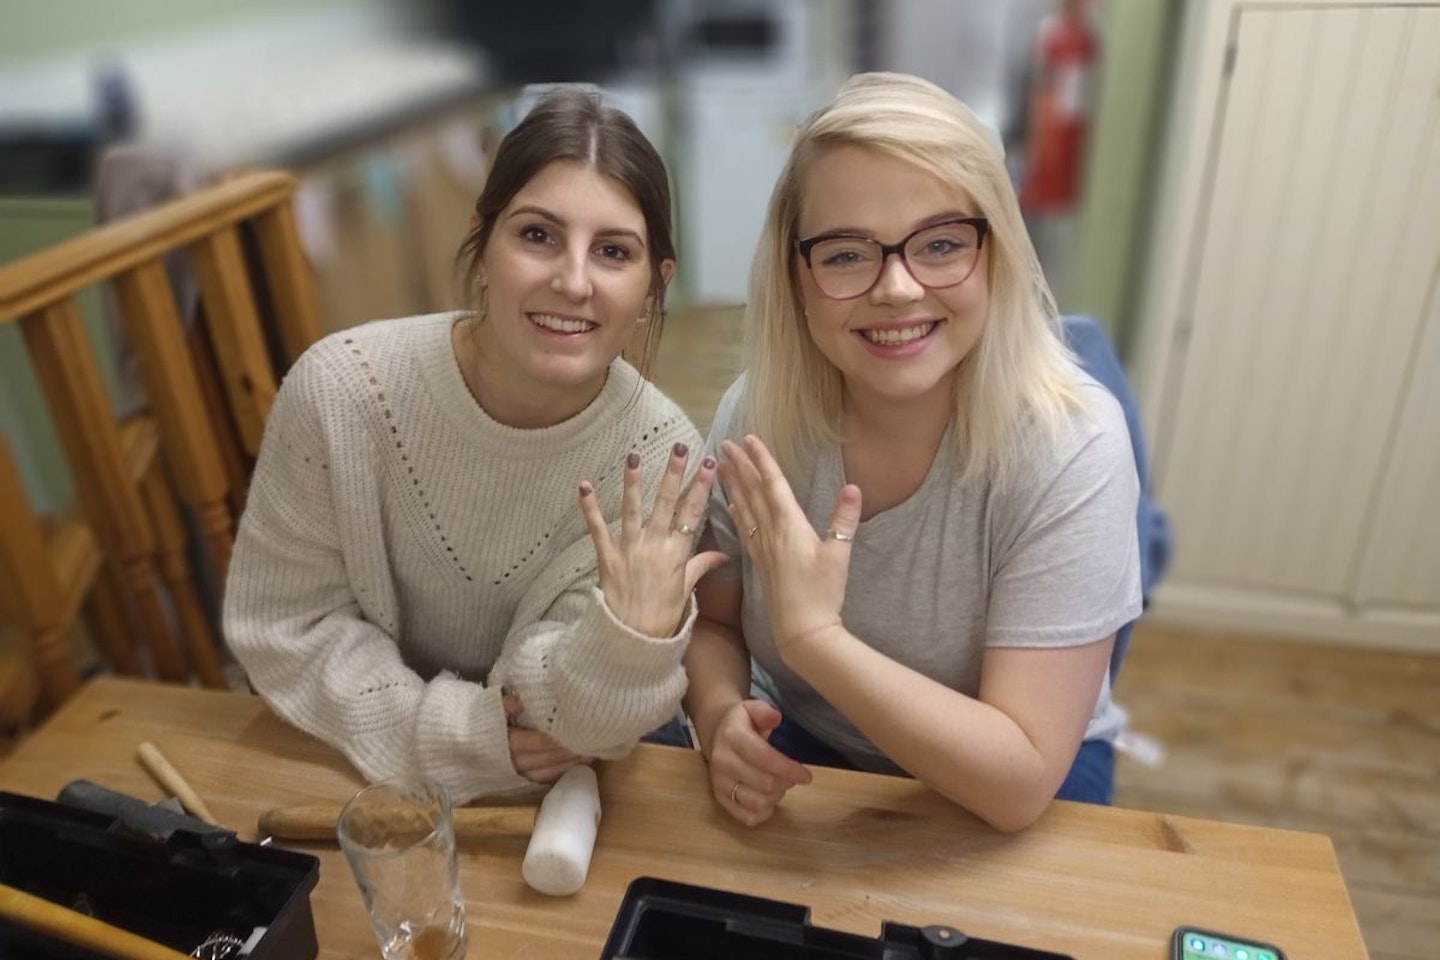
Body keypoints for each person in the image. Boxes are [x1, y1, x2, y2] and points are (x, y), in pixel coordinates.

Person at [224, 89, 725, 803]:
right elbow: (287, 624)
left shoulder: (660, 457)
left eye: (613, 252)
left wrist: (632, 640)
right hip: (355, 760)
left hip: (565, 788)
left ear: (653, 286)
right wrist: (461, 738)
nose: (573, 281)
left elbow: (572, 716)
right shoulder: (340, 390)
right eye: (537, 236)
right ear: (482, 245)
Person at [682, 73, 1141, 832]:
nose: (896, 288)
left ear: (996, 252)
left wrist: (814, 640)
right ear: (797, 277)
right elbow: (715, 625)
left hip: (1010, 780)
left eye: (939, 244)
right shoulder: (759, 416)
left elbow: (1020, 781)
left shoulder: (1073, 446)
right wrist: (720, 713)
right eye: (844, 254)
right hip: (809, 747)